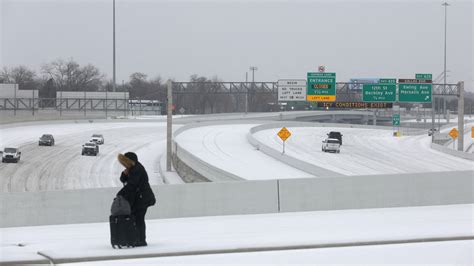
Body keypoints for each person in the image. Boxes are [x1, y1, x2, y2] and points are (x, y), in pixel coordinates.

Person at [117, 152, 156, 247]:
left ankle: (141, 240)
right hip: (139, 198)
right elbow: (123, 180)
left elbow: (131, 185)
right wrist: (124, 173)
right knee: (136, 218)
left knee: (139, 219)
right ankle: (136, 238)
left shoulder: (137, 169)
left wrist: (120, 194)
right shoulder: (132, 168)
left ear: (130, 161)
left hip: (143, 198)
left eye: (126, 162)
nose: (124, 164)